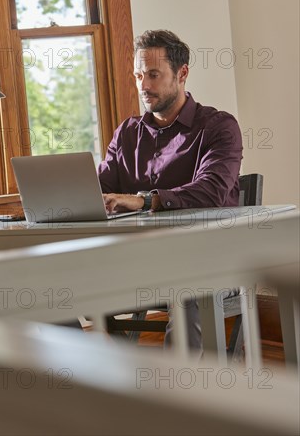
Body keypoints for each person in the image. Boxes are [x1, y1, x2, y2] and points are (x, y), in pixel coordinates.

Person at [98, 29, 243, 349]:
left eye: (153, 74)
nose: (143, 85)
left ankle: (181, 394)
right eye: (138, 75)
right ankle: (85, 391)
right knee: (48, 287)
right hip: (139, 263)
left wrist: (144, 201)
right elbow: (101, 189)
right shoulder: (127, 133)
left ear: (182, 74)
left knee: (188, 286)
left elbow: (212, 191)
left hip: (208, 262)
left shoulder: (219, 127)